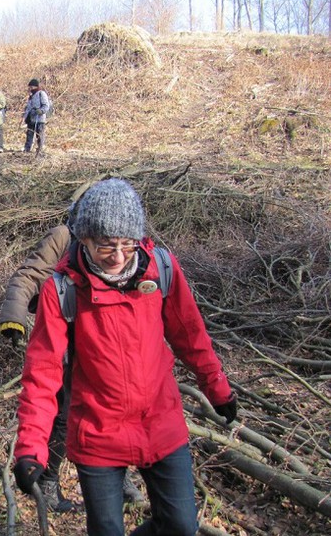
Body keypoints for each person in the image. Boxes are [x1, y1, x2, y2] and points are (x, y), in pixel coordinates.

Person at [13, 179, 238, 536]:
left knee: (181, 526)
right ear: (83, 239)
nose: (118, 257)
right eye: (106, 246)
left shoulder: (160, 269)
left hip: (161, 423)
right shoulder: (62, 290)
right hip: (98, 432)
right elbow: (43, 372)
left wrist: (217, 387)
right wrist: (31, 447)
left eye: (127, 245)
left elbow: (190, 336)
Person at [0, 204, 144, 513]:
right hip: (65, 335)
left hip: (104, 341)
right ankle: (48, 482)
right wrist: (13, 317)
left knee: (114, 407)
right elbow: (29, 275)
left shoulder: (119, 247)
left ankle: (120, 477)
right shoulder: (62, 237)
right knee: (64, 414)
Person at [22, 78, 50, 155]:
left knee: (40, 134)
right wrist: (24, 117)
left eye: (31, 87)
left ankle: (40, 148)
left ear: (35, 86)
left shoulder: (42, 94)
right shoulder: (31, 96)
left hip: (39, 119)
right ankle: (27, 148)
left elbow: (46, 105)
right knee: (29, 134)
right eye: (29, 87)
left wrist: (41, 111)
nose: (30, 89)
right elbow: (28, 108)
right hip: (31, 119)